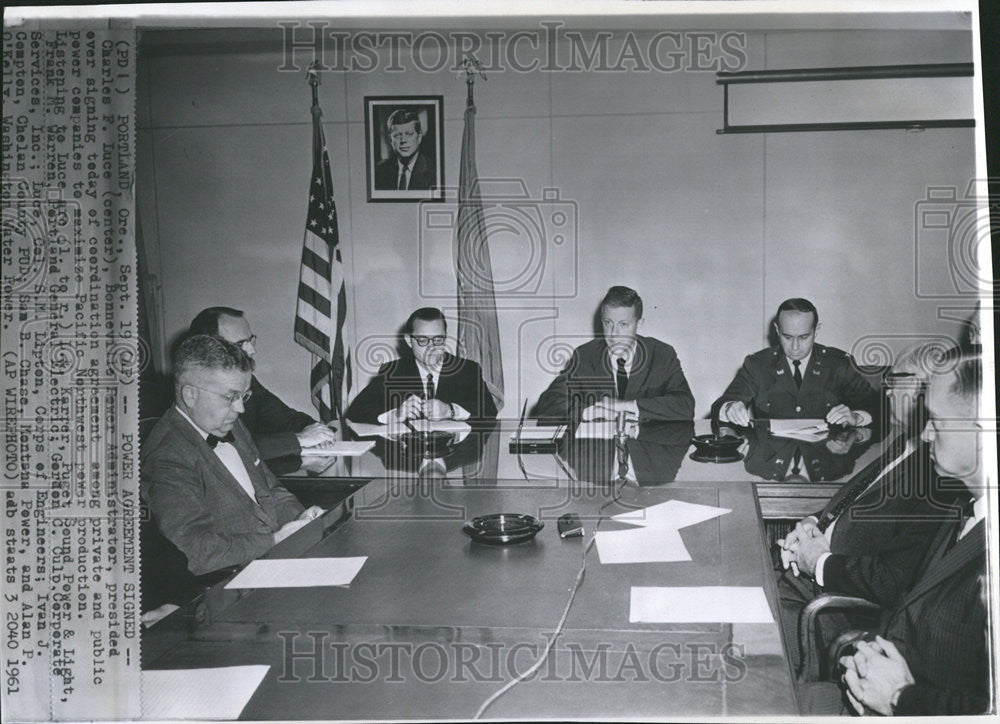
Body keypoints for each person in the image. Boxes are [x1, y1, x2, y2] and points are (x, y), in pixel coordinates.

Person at [802, 352, 988, 715]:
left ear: (980, 433)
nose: (926, 433)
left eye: (935, 420)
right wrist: (862, 658)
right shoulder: (966, 513)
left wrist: (899, 697)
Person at [775, 344, 962, 667]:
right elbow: (853, 501)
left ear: (925, 387)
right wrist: (811, 523)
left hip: (833, 610)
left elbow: (896, 582)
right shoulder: (906, 445)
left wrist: (819, 561)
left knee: (743, 641)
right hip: (806, 583)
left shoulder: (938, 475)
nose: (886, 392)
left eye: (895, 381)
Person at [142, 335, 324, 576]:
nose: (241, 409)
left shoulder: (230, 424)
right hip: (228, 582)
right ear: (190, 395)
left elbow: (271, 490)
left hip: (273, 563)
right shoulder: (167, 455)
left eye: (243, 397)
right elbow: (195, 550)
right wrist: (274, 541)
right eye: (231, 397)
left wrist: (300, 519)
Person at [189, 307, 337, 461]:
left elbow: (286, 418)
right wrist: (299, 441)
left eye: (250, 340)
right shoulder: (198, 391)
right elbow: (225, 448)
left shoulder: (248, 382)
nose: (252, 350)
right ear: (209, 348)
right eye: (241, 344)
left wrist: (314, 431)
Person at [532, 286, 695, 423]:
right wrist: (588, 413)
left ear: (639, 324)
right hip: (600, 457)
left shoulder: (661, 354)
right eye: (607, 323)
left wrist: (626, 406)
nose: (614, 334)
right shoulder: (585, 356)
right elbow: (548, 405)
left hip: (647, 455)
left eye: (623, 324)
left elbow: (685, 405)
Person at [712, 298, 880, 427]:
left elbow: (878, 407)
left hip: (826, 460)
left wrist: (856, 417)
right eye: (787, 337)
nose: (795, 347)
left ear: (817, 331)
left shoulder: (838, 364)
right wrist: (729, 408)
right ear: (777, 331)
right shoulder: (758, 365)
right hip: (773, 463)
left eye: (804, 337)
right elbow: (723, 402)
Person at [345, 307, 498, 424]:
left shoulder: (467, 370)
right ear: (409, 341)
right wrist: (395, 414)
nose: (432, 347)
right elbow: (355, 412)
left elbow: (489, 411)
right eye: (423, 340)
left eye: (438, 339)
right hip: (409, 459)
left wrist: (450, 410)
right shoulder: (392, 372)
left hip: (453, 458)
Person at [373, 108, 434, 191]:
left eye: (409, 134)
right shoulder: (379, 171)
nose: (403, 140)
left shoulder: (434, 171)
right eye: (397, 135)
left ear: (419, 137)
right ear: (391, 140)